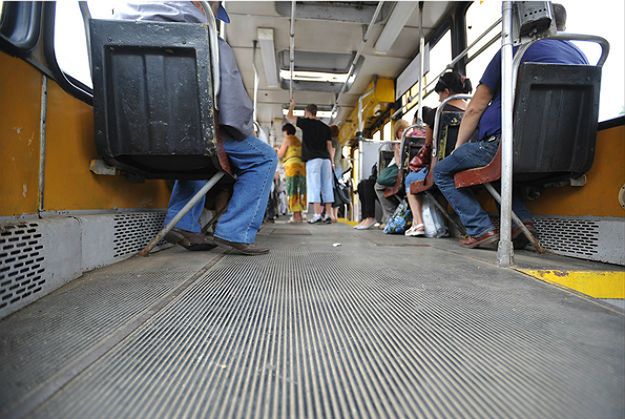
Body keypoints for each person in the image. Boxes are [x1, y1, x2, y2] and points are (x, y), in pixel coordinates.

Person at [114, 2, 278, 255]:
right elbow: (232, 106)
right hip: (190, 128)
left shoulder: (123, 22)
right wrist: (244, 129)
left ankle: (183, 224)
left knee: (196, 150)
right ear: (202, 6)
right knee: (264, 157)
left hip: (131, 129)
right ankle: (235, 231)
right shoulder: (208, 40)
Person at [433, 3, 588, 249]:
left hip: (506, 145)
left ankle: (480, 229)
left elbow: (475, 107)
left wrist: (458, 148)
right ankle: (521, 223)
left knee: (441, 171)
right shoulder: (583, 56)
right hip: (565, 149)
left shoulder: (512, 53)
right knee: (500, 171)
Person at [404, 71, 472, 237]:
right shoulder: (473, 110)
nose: (439, 99)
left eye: (440, 94)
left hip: (443, 168)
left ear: (447, 91)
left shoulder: (436, 113)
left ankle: (419, 223)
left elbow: (429, 146)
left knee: (409, 180)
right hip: (472, 162)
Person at [286, 100, 335, 224]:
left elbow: (290, 117)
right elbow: (329, 146)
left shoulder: (306, 123)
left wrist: (292, 106)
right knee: (327, 186)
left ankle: (317, 215)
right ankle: (329, 215)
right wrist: (332, 161)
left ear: (307, 112)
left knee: (314, 186)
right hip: (326, 160)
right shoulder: (325, 127)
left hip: (313, 159)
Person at [373, 119, 410, 224]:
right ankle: (389, 216)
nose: (403, 133)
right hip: (399, 172)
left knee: (378, 186)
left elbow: (399, 164)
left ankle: (389, 216)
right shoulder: (395, 144)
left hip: (400, 172)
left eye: (404, 130)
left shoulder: (397, 144)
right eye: (401, 130)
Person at [277, 123, 306, 223]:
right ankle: (299, 215)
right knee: (300, 190)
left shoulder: (288, 139)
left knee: (292, 190)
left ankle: (296, 216)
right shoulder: (299, 141)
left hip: (292, 167)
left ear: (286, 131)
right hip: (302, 167)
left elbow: (280, 154)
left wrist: (276, 150)